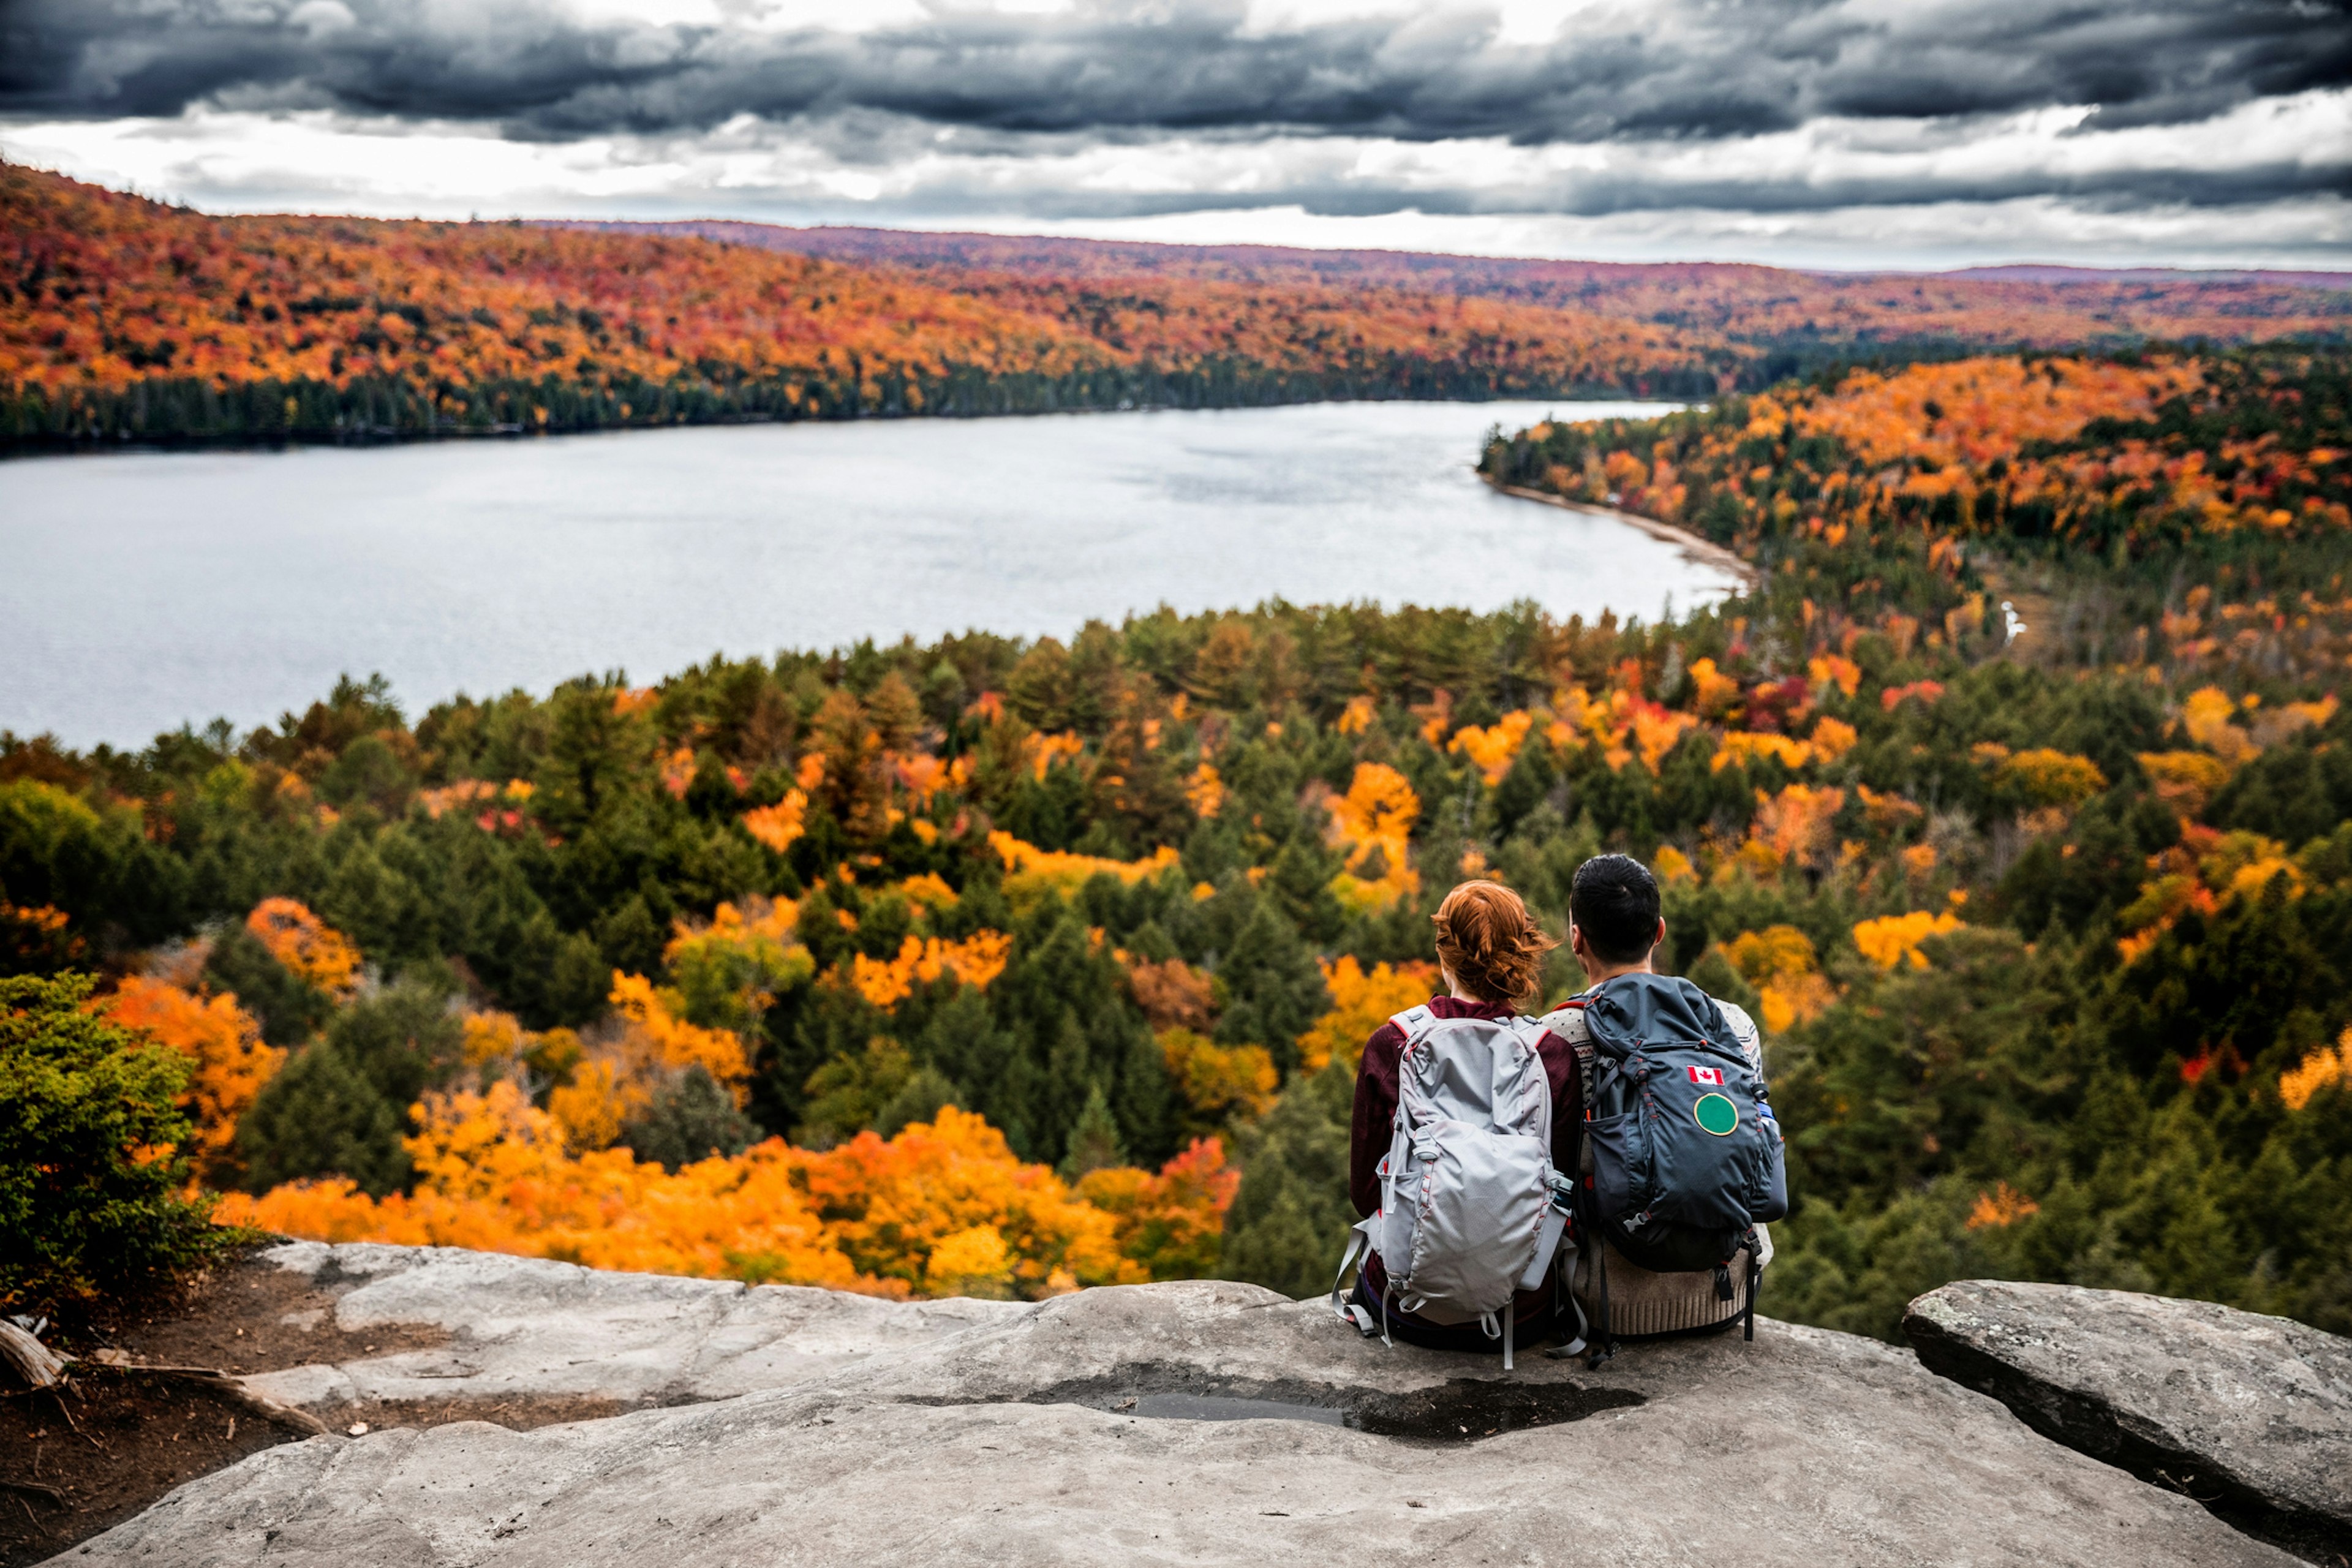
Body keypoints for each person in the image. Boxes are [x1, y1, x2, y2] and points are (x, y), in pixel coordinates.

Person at [1539, 853, 1772, 1339]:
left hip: (1603, 1306)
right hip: (1724, 1295)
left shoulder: (1554, 1036)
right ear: (1659, 931)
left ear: (1576, 939)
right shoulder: (1733, 1026)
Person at [1344, 880, 1580, 1352]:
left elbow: (1366, 1193)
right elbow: (1561, 1194)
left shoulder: (1393, 1043)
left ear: (1443, 953)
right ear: (1522, 953)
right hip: (1520, 1309)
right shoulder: (1552, 1055)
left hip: (1404, 1306)